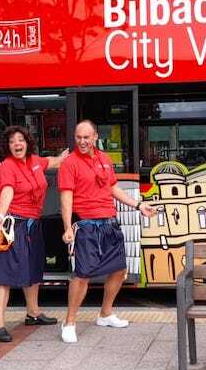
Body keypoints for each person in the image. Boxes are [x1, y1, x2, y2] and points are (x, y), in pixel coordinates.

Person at [57, 120, 155, 343]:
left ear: (95, 137)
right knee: (83, 275)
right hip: (87, 224)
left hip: (110, 222)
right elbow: (66, 198)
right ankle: (69, 321)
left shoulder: (104, 159)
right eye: (78, 138)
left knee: (119, 270)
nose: (82, 142)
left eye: (86, 137)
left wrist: (139, 205)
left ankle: (105, 313)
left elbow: (113, 188)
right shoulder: (69, 163)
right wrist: (66, 228)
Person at [0, 126, 68, 342]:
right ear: (8, 147)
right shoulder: (7, 167)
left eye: (20, 140)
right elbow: (7, 191)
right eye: (12, 141)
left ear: (27, 142)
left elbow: (54, 161)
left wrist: (72, 152)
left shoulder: (35, 161)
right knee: (2, 276)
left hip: (33, 225)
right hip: (12, 225)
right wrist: (0, 217)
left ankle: (33, 313)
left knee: (33, 271)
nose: (17, 144)